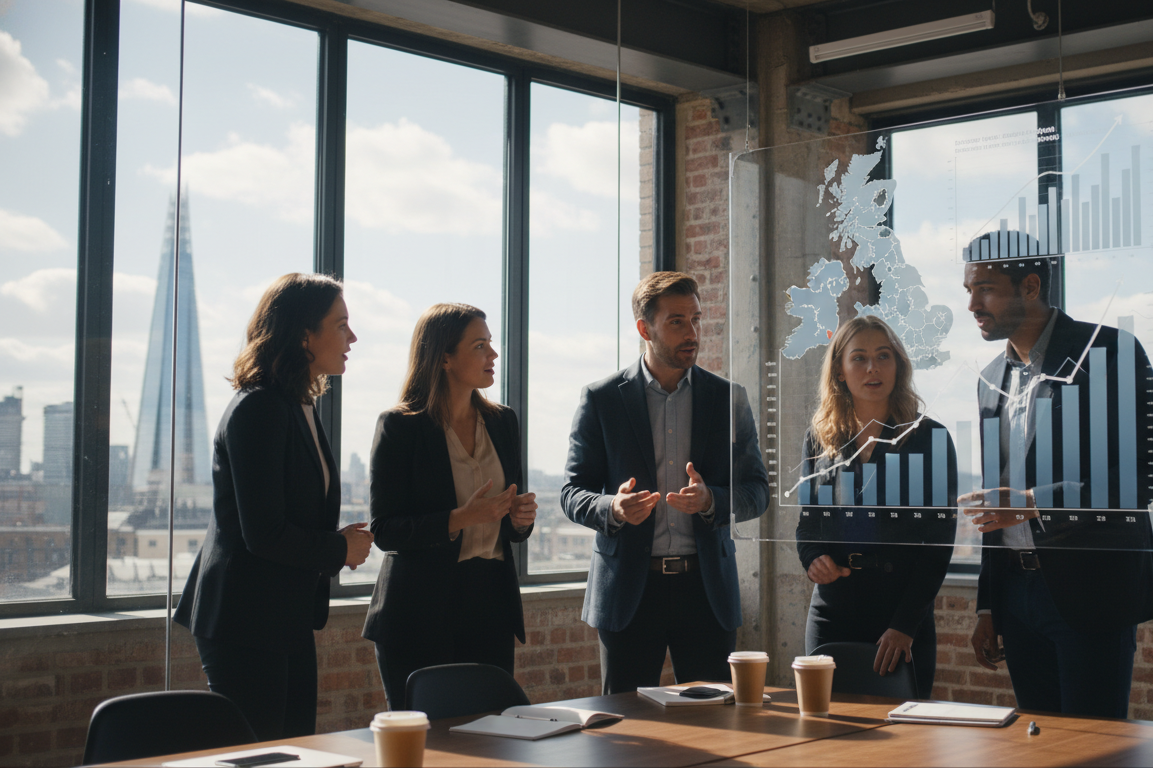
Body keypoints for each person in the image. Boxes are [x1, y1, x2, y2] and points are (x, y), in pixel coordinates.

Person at [957, 242, 1153, 718]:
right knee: (1038, 747)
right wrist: (988, 606)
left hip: (1090, 593)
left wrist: (1036, 502)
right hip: (1014, 597)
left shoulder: (1110, 352)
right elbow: (999, 502)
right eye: (969, 290)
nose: (972, 305)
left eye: (986, 290)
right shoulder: (990, 376)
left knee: (1091, 748)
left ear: (1030, 286)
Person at [175, 273, 374, 740]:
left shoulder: (296, 403)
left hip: (282, 615)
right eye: (341, 325)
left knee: (295, 746)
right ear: (305, 334)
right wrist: (338, 549)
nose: (352, 337)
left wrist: (338, 541)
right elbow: (263, 532)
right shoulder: (259, 407)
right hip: (245, 620)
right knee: (263, 753)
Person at [561, 271, 770, 694]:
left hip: (705, 591)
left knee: (714, 724)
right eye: (677, 321)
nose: (692, 332)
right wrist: (612, 508)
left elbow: (757, 491)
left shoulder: (728, 399)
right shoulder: (602, 399)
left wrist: (713, 500)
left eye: (696, 318)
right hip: (629, 594)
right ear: (645, 328)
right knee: (623, 732)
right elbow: (571, 492)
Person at [361, 303, 537, 711]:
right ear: (443, 357)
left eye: (491, 344)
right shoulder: (399, 426)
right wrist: (461, 518)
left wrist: (519, 519)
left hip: (489, 606)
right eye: (480, 346)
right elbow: (385, 530)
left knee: (491, 739)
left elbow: (509, 525)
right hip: (418, 614)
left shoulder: (503, 422)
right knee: (426, 746)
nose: (493, 355)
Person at [795, 316, 956, 700]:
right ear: (839, 370)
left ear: (898, 365)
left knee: (903, 742)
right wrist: (812, 557)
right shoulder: (820, 437)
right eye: (860, 358)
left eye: (884, 356)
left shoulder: (928, 438)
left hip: (899, 616)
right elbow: (808, 523)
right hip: (832, 611)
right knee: (826, 734)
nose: (873, 368)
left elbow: (938, 543)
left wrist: (905, 624)